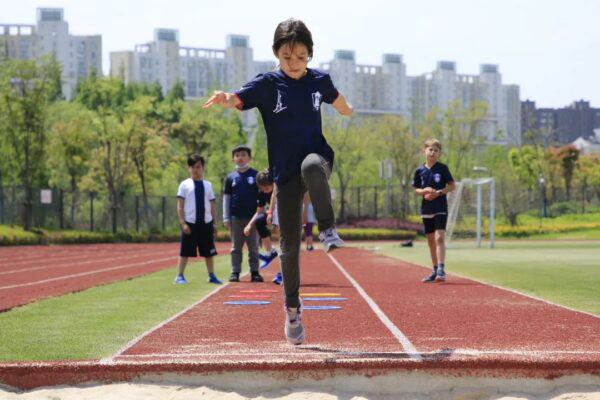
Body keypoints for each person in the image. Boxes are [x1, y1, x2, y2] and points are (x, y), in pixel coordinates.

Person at [203, 18, 353, 345]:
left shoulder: (319, 80)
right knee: (288, 247)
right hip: (284, 174)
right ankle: (292, 309)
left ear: (310, 55)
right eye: (287, 57)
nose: (294, 64)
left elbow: (341, 103)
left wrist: (347, 109)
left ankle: (327, 229)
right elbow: (237, 99)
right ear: (276, 54)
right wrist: (224, 98)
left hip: (316, 157)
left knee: (313, 166)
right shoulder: (268, 84)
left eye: (301, 57)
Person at [412, 138, 456, 283]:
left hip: (440, 207)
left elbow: (452, 186)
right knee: (431, 240)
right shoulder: (419, 170)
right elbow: (416, 189)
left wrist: (439, 192)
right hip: (426, 208)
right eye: (430, 150)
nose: (433, 153)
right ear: (424, 151)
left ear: (439, 153)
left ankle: (441, 269)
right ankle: (434, 269)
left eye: (436, 150)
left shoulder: (442, 168)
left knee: (439, 237)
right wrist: (424, 191)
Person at [175, 154, 221, 285]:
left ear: (203, 168)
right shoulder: (184, 185)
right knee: (184, 251)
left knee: (209, 252)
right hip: (190, 223)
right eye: (193, 167)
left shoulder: (208, 185)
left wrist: (214, 223)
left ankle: (212, 275)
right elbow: (180, 205)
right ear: (189, 168)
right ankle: (180, 276)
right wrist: (183, 223)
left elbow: (212, 205)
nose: (196, 169)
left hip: (206, 223)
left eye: (199, 167)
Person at [223, 145, 263, 283]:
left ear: (249, 157)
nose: (240, 158)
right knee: (236, 247)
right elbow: (226, 198)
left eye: (243, 155)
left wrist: (261, 215)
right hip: (235, 217)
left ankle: (255, 272)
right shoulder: (230, 178)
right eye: (237, 155)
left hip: (252, 218)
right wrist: (226, 217)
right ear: (233, 158)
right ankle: (235, 272)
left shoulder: (256, 175)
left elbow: (261, 197)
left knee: (253, 246)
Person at [243, 170, 280, 274]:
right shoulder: (261, 192)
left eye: (267, 188)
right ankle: (270, 252)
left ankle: (284, 273)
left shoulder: (279, 188)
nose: (265, 190)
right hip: (272, 214)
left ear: (272, 183)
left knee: (284, 242)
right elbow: (259, 212)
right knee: (259, 220)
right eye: (262, 188)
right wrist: (249, 225)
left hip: (285, 213)